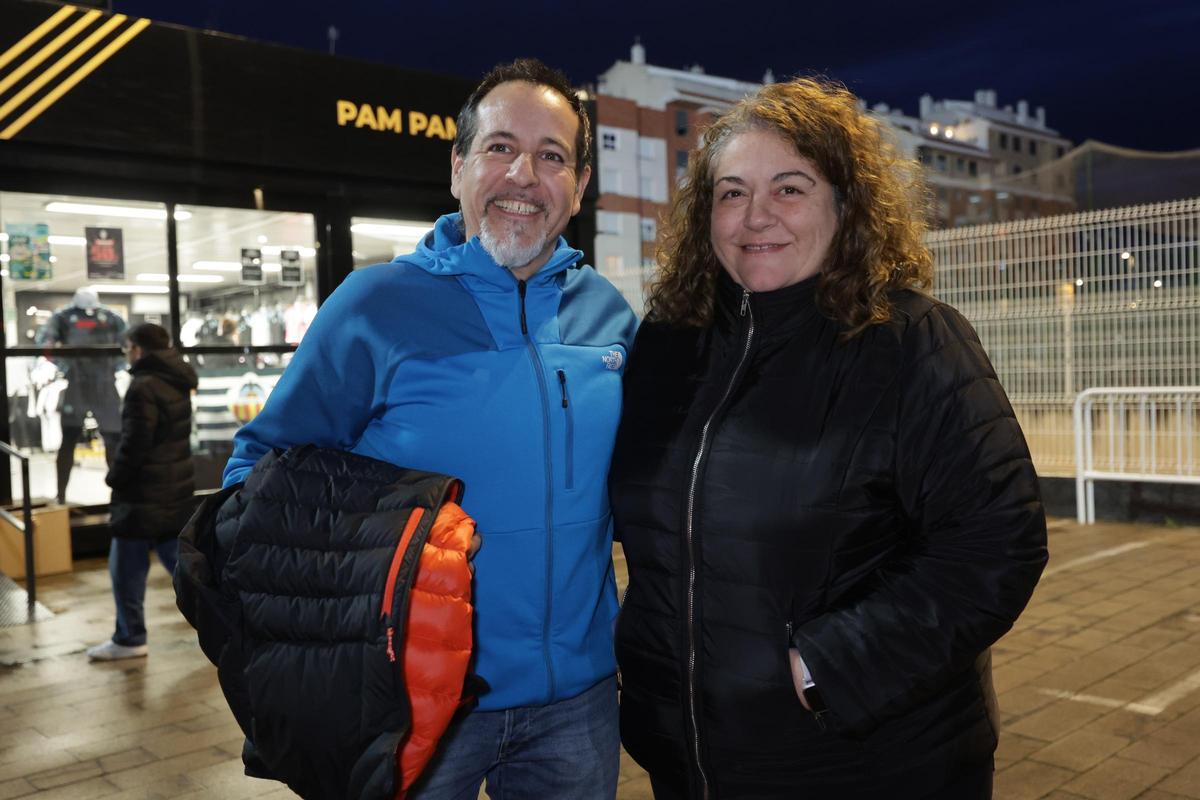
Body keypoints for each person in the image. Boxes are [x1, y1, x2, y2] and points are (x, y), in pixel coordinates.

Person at [608, 78, 1048, 799]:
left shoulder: (910, 343)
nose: (755, 217)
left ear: (846, 206)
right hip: (689, 756)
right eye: (730, 193)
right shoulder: (668, 347)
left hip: (862, 757)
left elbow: (998, 540)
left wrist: (829, 665)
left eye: (789, 189)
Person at [221, 58, 638, 799]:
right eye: (500, 147)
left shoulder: (607, 314)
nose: (523, 175)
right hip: (412, 701)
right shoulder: (375, 304)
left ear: (577, 185)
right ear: (458, 168)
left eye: (551, 157)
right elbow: (259, 477)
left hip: (575, 701)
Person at [88, 322, 198, 661]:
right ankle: (232, 621)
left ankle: (130, 636)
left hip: (142, 495)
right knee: (186, 569)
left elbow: (135, 444)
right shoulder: (177, 379)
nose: (126, 354)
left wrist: (115, 478)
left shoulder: (142, 386)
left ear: (137, 348)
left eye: (126, 348)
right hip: (172, 488)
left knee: (125, 569)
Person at [36, 287, 125, 504]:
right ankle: (61, 495)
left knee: (113, 442)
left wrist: (115, 367)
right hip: (81, 385)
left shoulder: (110, 318)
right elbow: (45, 344)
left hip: (101, 384)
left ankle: (120, 494)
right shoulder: (64, 317)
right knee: (73, 441)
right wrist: (64, 365)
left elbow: (127, 344)